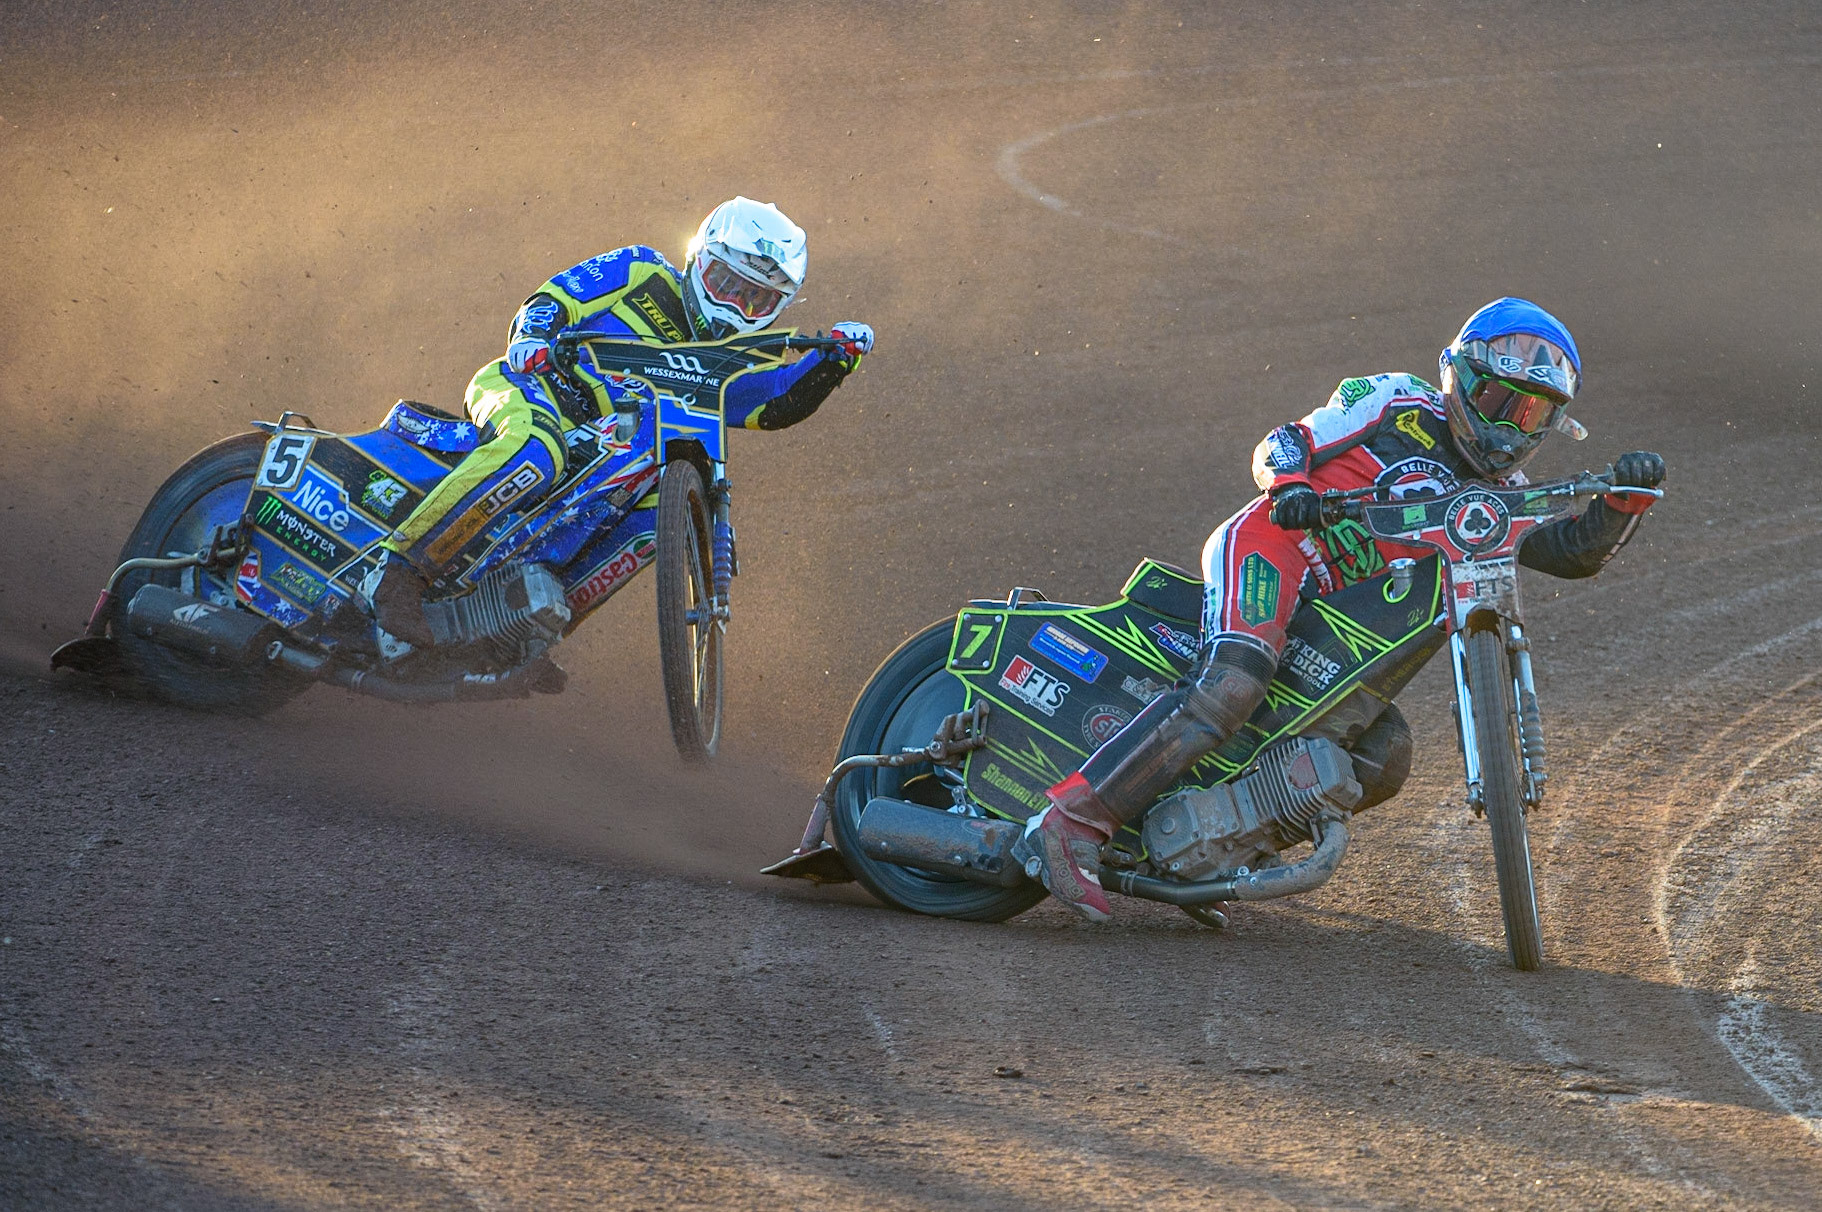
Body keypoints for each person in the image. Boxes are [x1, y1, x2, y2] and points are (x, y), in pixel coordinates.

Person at [1017, 297, 1667, 921]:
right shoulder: (1393, 400)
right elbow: (1286, 441)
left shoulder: (1501, 497)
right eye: (1498, 400)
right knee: (1234, 682)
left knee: (1384, 756)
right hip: (1279, 548)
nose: (1506, 425)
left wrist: (1621, 506)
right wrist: (1292, 486)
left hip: (1331, 623)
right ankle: (1071, 820)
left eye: (1529, 415)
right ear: (1460, 378)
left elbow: (1566, 552)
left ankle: (1206, 856)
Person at [366, 196, 874, 645]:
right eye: (725, 284)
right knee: (540, 449)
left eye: (755, 300)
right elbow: (554, 298)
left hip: (617, 446)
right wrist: (532, 338)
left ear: (776, 307)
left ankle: (531, 628)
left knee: (656, 518)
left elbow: (777, 402)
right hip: (536, 391)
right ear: (698, 259)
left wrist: (835, 359)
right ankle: (399, 575)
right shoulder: (643, 270)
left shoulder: (737, 361)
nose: (732, 308)